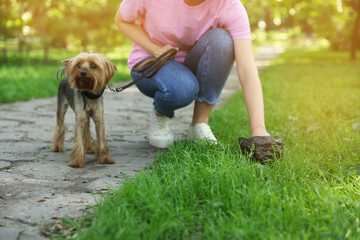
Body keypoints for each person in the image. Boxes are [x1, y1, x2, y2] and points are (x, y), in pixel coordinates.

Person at [115, 0, 270, 149]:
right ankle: (161, 115)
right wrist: (155, 49)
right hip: (150, 61)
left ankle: (199, 124)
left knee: (222, 40)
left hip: (189, 64)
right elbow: (122, 20)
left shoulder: (229, 6)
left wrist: (259, 130)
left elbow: (247, 69)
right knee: (182, 88)